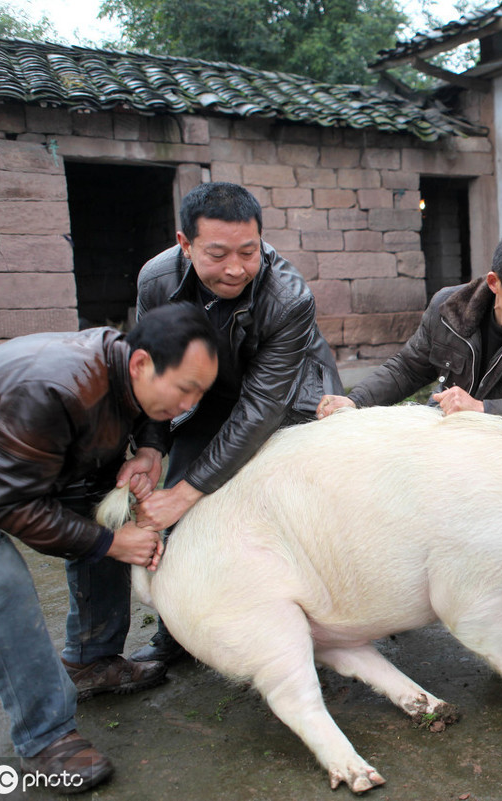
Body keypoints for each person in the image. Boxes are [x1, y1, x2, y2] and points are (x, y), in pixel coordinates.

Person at [0, 303, 218, 791]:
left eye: (200, 392)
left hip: (20, 465)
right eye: (185, 389)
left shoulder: (121, 365)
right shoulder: (56, 391)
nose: (190, 404)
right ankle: (45, 737)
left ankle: (91, 661)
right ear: (141, 365)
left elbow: (147, 414)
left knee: (109, 513)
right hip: (0, 483)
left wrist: (150, 449)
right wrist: (109, 541)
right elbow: (11, 506)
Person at [317, 230, 502, 656]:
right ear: (495, 283)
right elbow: (409, 366)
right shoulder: (450, 306)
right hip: (446, 443)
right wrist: (355, 400)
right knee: (404, 515)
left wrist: (482, 409)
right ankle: (396, 606)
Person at [126, 182, 343, 664]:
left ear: (262, 239)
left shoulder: (288, 297)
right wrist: (151, 448)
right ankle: (178, 631)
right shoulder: (156, 281)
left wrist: (186, 492)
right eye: (217, 253)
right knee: (180, 498)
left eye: (249, 252)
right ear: (185, 243)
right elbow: (155, 376)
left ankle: (326, 620)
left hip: (290, 393)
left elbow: (262, 406)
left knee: (297, 502)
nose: (236, 268)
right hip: (208, 393)